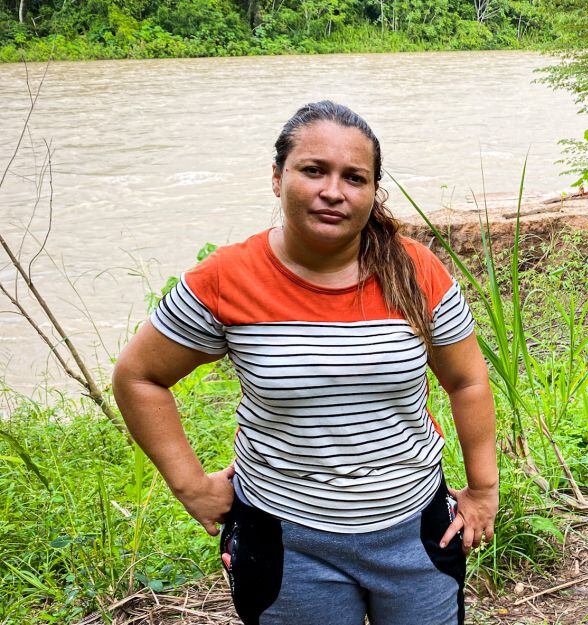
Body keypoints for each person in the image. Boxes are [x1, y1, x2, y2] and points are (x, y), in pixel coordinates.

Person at [112, 100, 498, 625]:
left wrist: (483, 490)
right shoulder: (226, 278)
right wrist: (191, 486)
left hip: (415, 530)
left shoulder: (415, 270)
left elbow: (467, 380)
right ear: (277, 177)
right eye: (314, 170)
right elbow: (138, 376)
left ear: (373, 191)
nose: (333, 191)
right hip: (285, 542)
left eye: (354, 177)